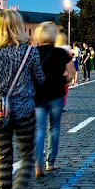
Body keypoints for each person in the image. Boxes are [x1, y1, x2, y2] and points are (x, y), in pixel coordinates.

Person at [0, 10, 45, 189]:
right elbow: (40, 78)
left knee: (3, 157)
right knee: (27, 155)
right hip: (24, 109)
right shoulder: (29, 52)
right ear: (18, 27)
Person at [33, 22, 74, 176]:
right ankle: (51, 162)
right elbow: (71, 74)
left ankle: (38, 165)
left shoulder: (33, 52)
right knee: (54, 129)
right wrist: (61, 82)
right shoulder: (61, 53)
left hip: (38, 96)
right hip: (56, 94)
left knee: (39, 130)